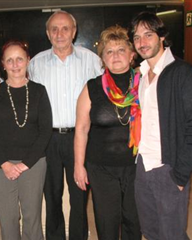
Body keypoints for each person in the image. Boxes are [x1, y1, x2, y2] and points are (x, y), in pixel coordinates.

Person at [0, 11, 103, 240]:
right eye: (54, 29)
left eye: (65, 28)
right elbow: (16, 80)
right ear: (48, 34)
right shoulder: (37, 62)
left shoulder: (91, 60)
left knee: (80, 195)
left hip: (80, 138)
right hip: (47, 139)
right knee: (52, 197)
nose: (60, 34)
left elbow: (106, 86)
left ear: (74, 31)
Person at [74, 25, 142, 240]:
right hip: (101, 167)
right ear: (102, 58)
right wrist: (78, 165)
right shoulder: (92, 87)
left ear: (132, 55)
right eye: (109, 51)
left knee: (134, 220)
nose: (115, 55)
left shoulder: (145, 84)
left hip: (137, 166)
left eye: (121, 49)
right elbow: (82, 129)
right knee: (107, 222)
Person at [129, 11, 192, 240]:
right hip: (143, 166)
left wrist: (181, 175)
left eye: (148, 35)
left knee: (172, 234)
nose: (142, 43)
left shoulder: (182, 73)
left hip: (168, 167)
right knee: (151, 232)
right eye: (136, 37)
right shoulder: (141, 76)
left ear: (162, 36)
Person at [0, 40, 52, 240]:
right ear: (3, 64)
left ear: (28, 61)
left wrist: (25, 164)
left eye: (19, 59)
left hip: (34, 163)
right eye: (10, 60)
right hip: (0, 164)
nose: (15, 64)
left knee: (32, 216)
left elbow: (45, 130)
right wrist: (4, 163)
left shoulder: (39, 91)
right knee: (8, 217)